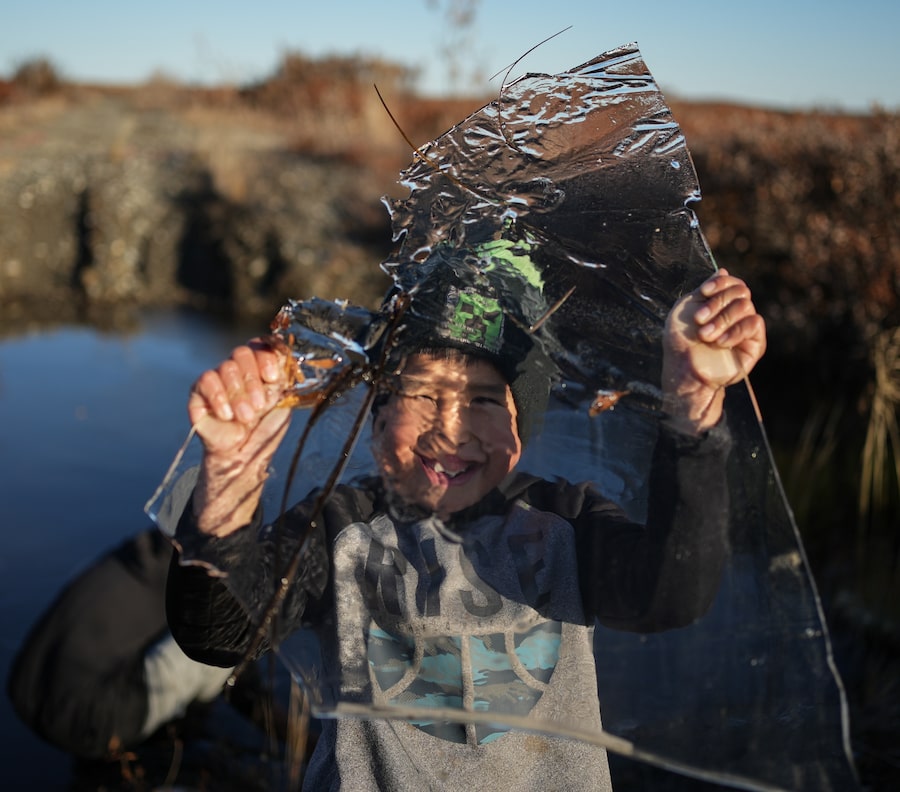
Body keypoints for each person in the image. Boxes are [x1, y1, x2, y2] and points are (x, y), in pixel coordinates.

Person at [165, 251, 766, 790]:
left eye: (483, 399)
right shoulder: (340, 526)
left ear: (520, 429)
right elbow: (221, 636)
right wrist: (229, 481)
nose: (451, 429)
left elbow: (671, 593)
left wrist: (691, 413)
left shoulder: (566, 522)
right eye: (424, 394)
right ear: (377, 421)